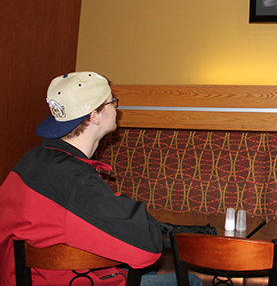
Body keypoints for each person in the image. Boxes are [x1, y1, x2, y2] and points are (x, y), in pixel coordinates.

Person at [0, 72, 201, 286]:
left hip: (23, 279)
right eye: (111, 102)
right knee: (191, 281)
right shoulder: (75, 182)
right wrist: (120, 205)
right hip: (69, 281)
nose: (116, 108)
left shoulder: (31, 160)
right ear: (94, 116)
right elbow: (148, 248)